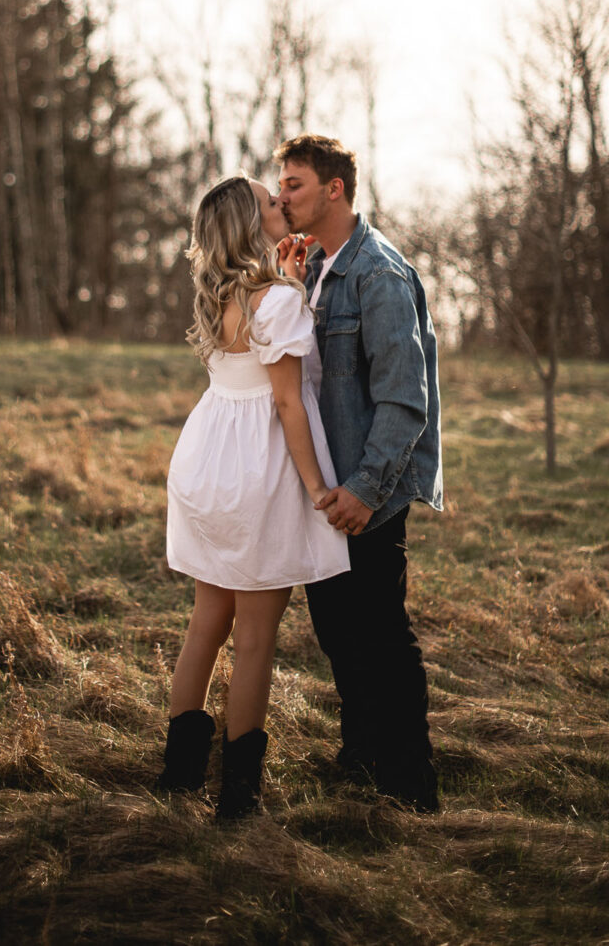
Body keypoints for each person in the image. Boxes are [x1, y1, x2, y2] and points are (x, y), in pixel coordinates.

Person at [156, 175, 350, 819]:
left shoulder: (216, 298)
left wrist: (284, 278)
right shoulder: (279, 302)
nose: (282, 207)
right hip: (255, 471)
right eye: (271, 203)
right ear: (249, 224)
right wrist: (317, 485)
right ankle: (238, 798)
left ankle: (178, 777)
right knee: (256, 641)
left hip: (205, 462)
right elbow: (289, 402)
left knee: (206, 624)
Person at [275, 133, 443, 814]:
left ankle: (410, 783)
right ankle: (362, 757)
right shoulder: (316, 269)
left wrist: (367, 492)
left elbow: (405, 401)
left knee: (379, 632)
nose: (283, 196)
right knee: (338, 629)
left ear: (333, 189)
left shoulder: (378, 274)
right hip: (331, 491)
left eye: (294, 185)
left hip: (369, 488)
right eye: (281, 186)